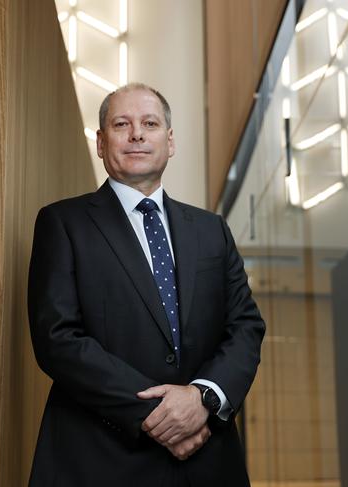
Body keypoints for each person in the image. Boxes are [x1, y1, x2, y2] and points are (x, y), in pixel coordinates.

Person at [27, 83, 265, 486]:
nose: (137, 133)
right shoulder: (63, 224)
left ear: (169, 142)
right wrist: (161, 415)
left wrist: (203, 399)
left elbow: (245, 326)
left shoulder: (211, 231)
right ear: (102, 143)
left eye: (150, 123)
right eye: (122, 124)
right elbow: (58, 339)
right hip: (101, 459)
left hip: (207, 459)